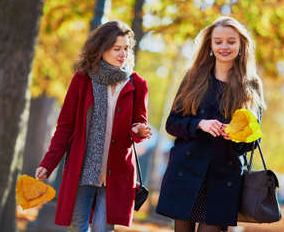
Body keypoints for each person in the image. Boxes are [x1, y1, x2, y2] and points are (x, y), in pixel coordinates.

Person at [35, 20, 151, 232]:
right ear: (101, 49)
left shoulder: (137, 84)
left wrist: (139, 131)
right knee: (77, 226)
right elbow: (65, 127)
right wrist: (48, 163)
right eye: (117, 48)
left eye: (126, 48)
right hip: (82, 168)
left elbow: (140, 123)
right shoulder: (82, 80)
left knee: (101, 228)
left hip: (116, 173)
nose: (122, 54)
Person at [156, 16, 266, 232]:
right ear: (210, 44)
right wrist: (199, 124)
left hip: (224, 178)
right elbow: (172, 123)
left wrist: (237, 136)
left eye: (231, 41)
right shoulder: (193, 77)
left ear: (241, 44)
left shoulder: (251, 84)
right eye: (218, 41)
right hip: (186, 173)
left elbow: (255, 137)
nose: (224, 46)